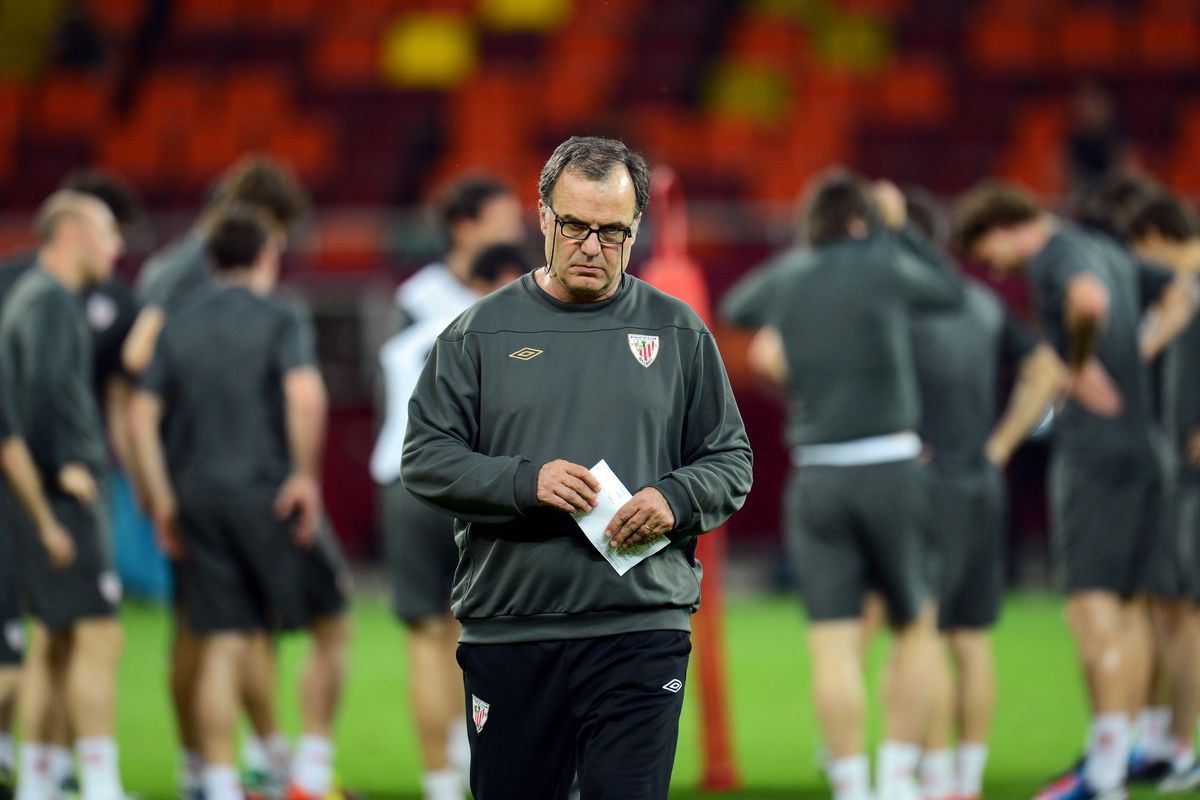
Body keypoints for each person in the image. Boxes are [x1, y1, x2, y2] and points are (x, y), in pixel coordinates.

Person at [400, 135, 753, 800]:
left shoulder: (678, 330)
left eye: (611, 232)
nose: (591, 246)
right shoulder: (478, 334)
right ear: (541, 216)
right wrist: (523, 482)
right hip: (512, 630)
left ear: (636, 228)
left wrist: (675, 498)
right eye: (574, 227)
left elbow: (730, 459)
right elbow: (424, 458)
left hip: (640, 627)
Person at [721, 171, 962, 800]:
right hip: (889, 466)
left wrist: (812, 257)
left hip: (818, 475)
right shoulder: (880, 262)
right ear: (862, 221)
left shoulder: (794, 273)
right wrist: (895, 228)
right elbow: (947, 289)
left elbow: (739, 305)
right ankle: (897, 778)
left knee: (832, 643)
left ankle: (852, 787)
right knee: (915, 627)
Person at [953, 182, 1196, 800]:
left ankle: (1106, 772)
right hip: (1148, 448)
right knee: (1131, 607)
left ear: (1006, 226)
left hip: (1096, 453)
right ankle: (1123, 753)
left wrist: (1082, 366)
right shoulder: (1103, 247)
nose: (994, 268)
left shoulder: (1056, 257)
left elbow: (1086, 303)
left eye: (988, 253)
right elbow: (1178, 296)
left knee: (1091, 608)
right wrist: (1139, 355)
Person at [126, 205, 329, 800]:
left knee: (220, 638)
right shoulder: (280, 315)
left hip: (195, 494)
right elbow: (305, 395)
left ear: (211, 260)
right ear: (266, 255)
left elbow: (140, 416)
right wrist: (305, 477)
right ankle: (282, 763)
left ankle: (216, 780)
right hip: (261, 492)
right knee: (264, 634)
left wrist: (162, 500)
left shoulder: (178, 320)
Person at [903, 190, 1067, 800]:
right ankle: (966, 779)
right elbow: (1048, 370)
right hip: (981, 482)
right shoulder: (981, 302)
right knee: (971, 639)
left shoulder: (905, 308)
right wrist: (1001, 445)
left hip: (929, 486)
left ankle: (939, 778)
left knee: (927, 636)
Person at [369, 177, 525, 800]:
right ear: (464, 224)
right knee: (483, 635)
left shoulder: (411, 303)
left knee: (430, 640)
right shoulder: (511, 306)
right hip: (467, 480)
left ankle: (441, 780)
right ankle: (477, 766)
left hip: (402, 475)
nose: (515, 228)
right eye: (505, 216)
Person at [0, 191, 126, 800]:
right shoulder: (50, 301)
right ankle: (99, 783)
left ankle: (37, 781)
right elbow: (42, 390)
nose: (117, 247)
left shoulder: (39, 297)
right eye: (107, 233)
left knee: (53, 641)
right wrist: (62, 469)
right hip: (61, 492)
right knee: (100, 633)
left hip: (38, 495)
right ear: (72, 233)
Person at [1125, 191, 1200, 790]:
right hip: (1177, 474)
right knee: (1171, 609)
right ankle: (1166, 742)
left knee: (1187, 613)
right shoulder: (1184, 290)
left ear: (1154, 235)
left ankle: (1181, 746)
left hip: (1193, 479)